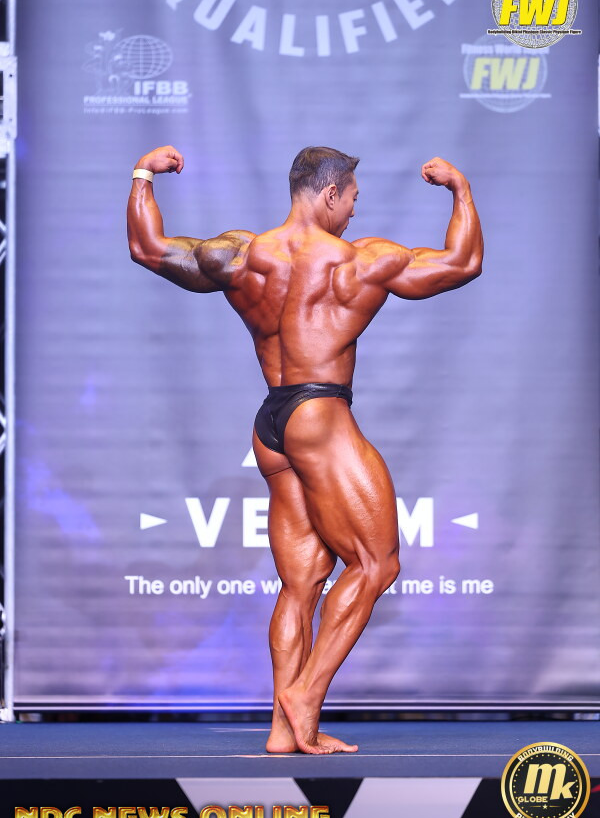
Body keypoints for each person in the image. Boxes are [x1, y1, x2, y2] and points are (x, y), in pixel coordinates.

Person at [127, 145, 483, 754]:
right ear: (330, 194)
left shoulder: (240, 254)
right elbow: (463, 261)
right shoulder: (361, 260)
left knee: (301, 585)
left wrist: (143, 173)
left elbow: (148, 248)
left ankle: (285, 732)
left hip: (271, 423)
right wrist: (461, 189)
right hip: (320, 415)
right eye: (352, 200)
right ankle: (306, 695)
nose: (353, 212)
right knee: (375, 564)